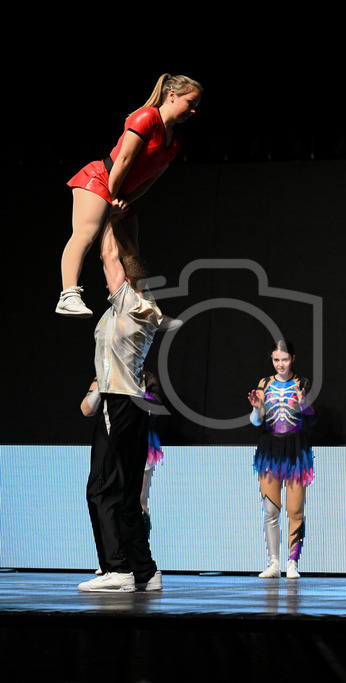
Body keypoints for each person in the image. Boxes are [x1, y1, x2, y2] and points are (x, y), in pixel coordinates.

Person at [58, 73, 202, 318]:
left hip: (121, 195)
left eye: (196, 106)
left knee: (130, 252)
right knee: (87, 234)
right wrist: (110, 199)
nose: (193, 111)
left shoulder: (175, 142)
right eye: (191, 102)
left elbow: (150, 180)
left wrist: (125, 201)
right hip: (100, 180)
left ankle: (141, 302)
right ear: (172, 95)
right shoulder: (146, 117)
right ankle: (68, 294)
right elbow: (122, 162)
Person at [77, 246, 166, 592]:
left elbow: (111, 256)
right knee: (127, 492)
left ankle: (117, 568)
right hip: (132, 405)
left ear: (127, 282)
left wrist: (103, 213)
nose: (105, 285)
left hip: (119, 403)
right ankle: (143, 570)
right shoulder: (142, 308)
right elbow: (123, 251)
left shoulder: (133, 305)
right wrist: (121, 215)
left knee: (101, 488)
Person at [248, 340, 315, 580]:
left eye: (284, 360)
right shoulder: (264, 384)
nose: (280, 364)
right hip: (270, 447)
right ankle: (273, 562)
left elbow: (312, 419)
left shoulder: (301, 383)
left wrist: (303, 403)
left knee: (295, 510)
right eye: (276, 360)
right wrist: (257, 408)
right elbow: (257, 422)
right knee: (270, 510)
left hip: (295, 448)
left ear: (293, 359)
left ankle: (293, 562)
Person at [81, 371, 164, 550]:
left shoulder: (145, 378)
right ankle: (114, 558)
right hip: (112, 444)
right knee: (109, 501)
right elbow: (86, 409)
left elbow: (155, 408)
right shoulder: (103, 376)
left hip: (141, 442)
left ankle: (139, 555)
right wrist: (103, 386)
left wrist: (132, 391)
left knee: (137, 503)